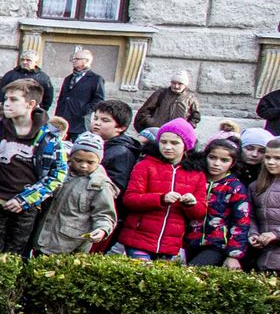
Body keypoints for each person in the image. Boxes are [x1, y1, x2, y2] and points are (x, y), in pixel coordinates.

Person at [0, 81, 64, 257]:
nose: (6, 104)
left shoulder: (48, 137)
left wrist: (25, 200)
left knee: (14, 256)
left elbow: (58, 174)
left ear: (30, 104)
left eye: (13, 99)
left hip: (25, 206)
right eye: (6, 99)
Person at [117, 120, 206, 260]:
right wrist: (161, 199)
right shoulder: (145, 165)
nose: (168, 147)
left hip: (170, 243)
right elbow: (130, 199)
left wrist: (191, 204)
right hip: (138, 238)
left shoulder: (196, 173)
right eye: (163, 142)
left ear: (186, 146)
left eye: (174, 143)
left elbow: (200, 212)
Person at [34, 132, 118, 256]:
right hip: (42, 237)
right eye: (78, 160)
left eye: (90, 162)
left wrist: (102, 230)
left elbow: (105, 214)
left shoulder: (99, 185)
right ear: (70, 157)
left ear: (99, 161)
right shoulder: (59, 173)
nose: (83, 165)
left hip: (70, 245)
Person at [184, 137, 252, 270]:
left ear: (232, 163)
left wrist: (234, 255)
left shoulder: (235, 187)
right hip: (188, 241)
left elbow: (241, 222)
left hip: (217, 245)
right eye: (212, 157)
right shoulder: (196, 179)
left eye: (224, 160)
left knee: (192, 272)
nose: (216, 163)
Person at [90, 99, 139, 195]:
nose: (97, 123)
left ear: (121, 128)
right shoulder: (95, 142)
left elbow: (116, 187)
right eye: (95, 118)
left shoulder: (122, 152)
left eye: (105, 120)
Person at [55, 47, 105, 136]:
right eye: (73, 58)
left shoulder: (96, 79)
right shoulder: (68, 78)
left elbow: (99, 100)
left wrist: (85, 110)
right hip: (63, 121)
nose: (73, 61)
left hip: (80, 123)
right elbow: (62, 98)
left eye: (77, 59)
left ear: (86, 61)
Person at [135, 71, 200, 131]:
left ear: (185, 85)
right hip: (157, 131)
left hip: (178, 133)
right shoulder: (160, 94)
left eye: (180, 84)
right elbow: (144, 111)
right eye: (174, 83)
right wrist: (151, 123)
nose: (176, 86)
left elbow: (195, 117)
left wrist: (187, 128)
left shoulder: (191, 98)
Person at [248, 152, 280, 272]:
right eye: (267, 157)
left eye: (277, 158)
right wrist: (253, 234)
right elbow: (250, 216)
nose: (271, 162)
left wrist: (276, 234)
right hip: (264, 260)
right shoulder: (255, 187)